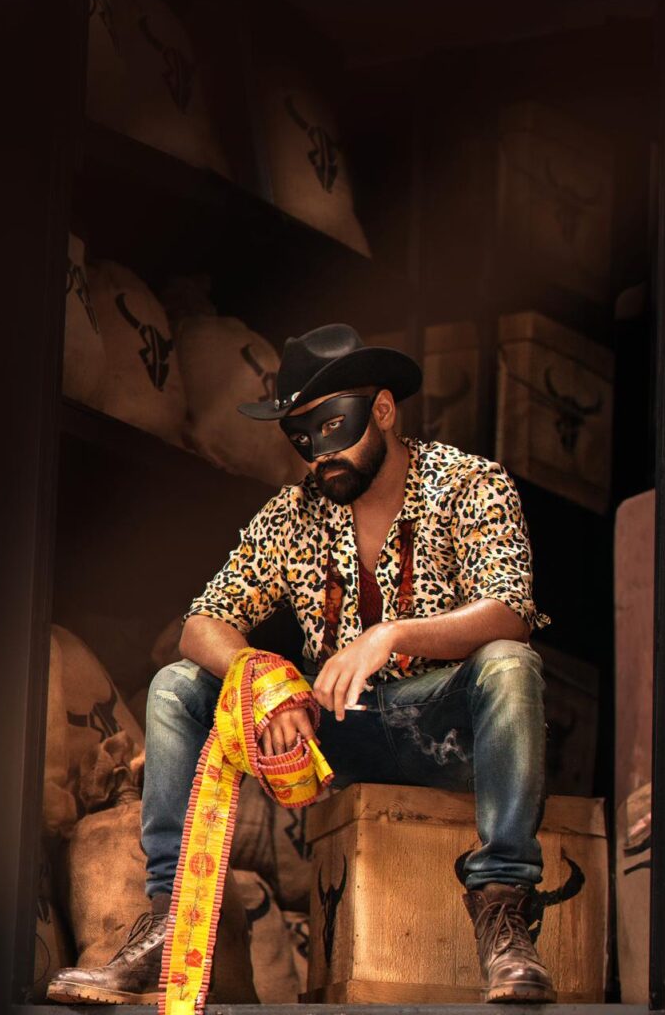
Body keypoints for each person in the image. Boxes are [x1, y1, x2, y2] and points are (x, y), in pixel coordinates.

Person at [48, 323, 554, 1004]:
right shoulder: (294, 513)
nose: (320, 453)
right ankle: (168, 921)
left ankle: (504, 917)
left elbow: (510, 609)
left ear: (382, 410)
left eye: (333, 426)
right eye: (302, 437)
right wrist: (262, 679)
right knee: (176, 687)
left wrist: (391, 635)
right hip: (334, 732)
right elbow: (203, 622)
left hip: (447, 726)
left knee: (510, 664)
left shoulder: (470, 483)